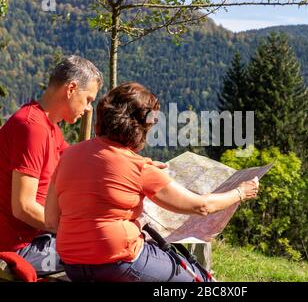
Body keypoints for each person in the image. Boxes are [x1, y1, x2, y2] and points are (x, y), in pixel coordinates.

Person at [44, 82, 260, 282]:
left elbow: (52, 220)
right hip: (118, 261)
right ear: (140, 126)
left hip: (72, 263)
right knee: (198, 280)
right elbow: (201, 206)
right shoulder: (139, 168)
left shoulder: (68, 155)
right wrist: (241, 192)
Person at [0, 55, 103, 276]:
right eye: (88, 99)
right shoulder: (31, 128)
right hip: (20, 247)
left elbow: (79, 162)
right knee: (106, 250)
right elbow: (23, 207)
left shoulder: (50, 128)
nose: (87, 108)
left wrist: (138, 166)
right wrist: (72, 229)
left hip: (36, 237)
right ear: (71, 88)